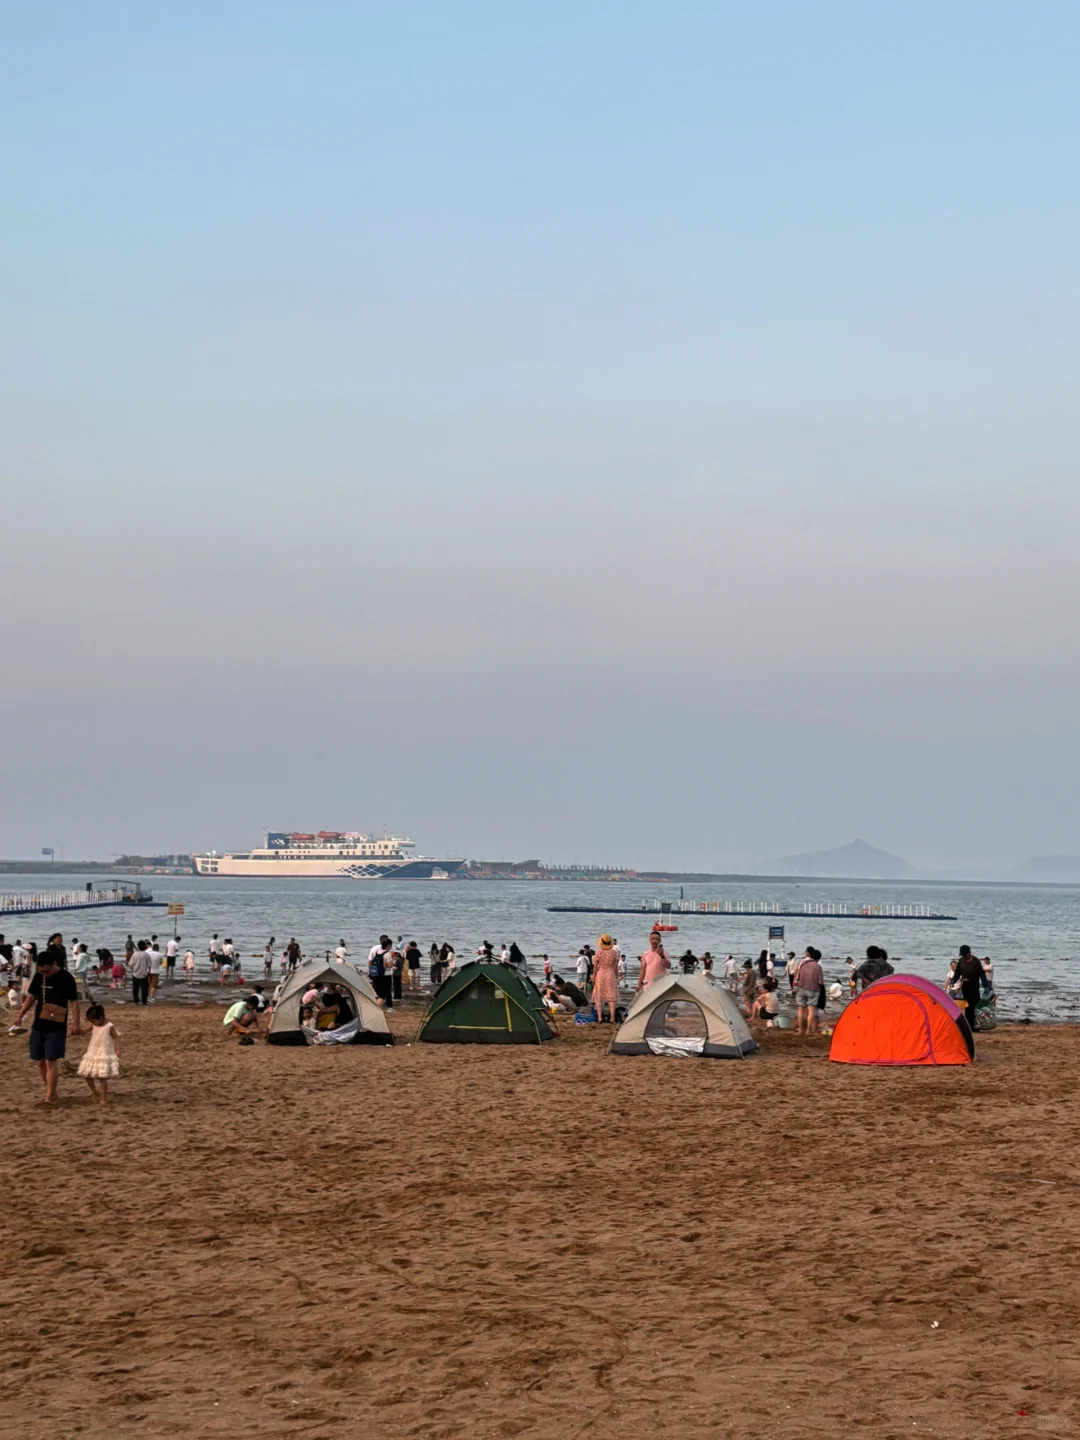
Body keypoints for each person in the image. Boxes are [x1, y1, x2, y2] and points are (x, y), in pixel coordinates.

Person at [13, 950, 81, 1103]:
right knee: (41, 1061)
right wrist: (20, 1016)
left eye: (47, 971)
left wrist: (76, 1023)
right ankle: (51, 1090)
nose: (45, 974)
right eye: (41, 971)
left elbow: (74, 1001)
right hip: (39, 1023)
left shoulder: (66, 978)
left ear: (54, 965)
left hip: (57, 1026)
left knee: (51, 1060)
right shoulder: (39, 976)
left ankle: (49, 1097)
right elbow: (31, 997)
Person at [78, 1004, 120, 1104]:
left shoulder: (109, 1026)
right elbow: (85, 1031)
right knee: (86, 1074)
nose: (92, 1023)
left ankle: (103, 1098)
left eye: (93, 1021)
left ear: (100, 1018)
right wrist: (80, 1031)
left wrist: (117, 1050)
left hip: (103, 1053)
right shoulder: (93, 1025)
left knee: (102, 1077)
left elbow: (116, 1037)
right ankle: (94, 1091)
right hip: (92, 1052)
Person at [792, 947, 824, 1035]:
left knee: (801, 1009)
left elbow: (796, 976)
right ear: (818, 959)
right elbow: (820, 982)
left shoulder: (801, 963)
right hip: (813, 990)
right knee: (811, 1010)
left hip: (801, 988)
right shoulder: (818, 967)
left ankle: (800, 1030)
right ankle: (808, 1031)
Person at [590, 935, 621, 1024]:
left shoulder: (598, 952)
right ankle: (612, 1018)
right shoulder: (614, 952)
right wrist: (616, 976)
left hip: (601, 974)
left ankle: (599, 1017)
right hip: (610, 974)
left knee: (599, 997)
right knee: (611, 998)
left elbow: (595, 966)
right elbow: (615, 967)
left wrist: (594, 977)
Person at [954, 945, 987, 1027]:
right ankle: (969, 1025)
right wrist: (953, 981)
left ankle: (975, 1024)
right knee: (968, 1005)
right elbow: (957, 973)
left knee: (974, 1004)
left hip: (974, 985)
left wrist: (986, 986)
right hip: (965, 985)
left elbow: (982, 974)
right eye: (962, 955)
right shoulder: (961, 961)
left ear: (969, 952)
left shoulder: (976, 961)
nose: (964, 956)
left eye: (965, 954)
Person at [368, 936, 394, 1009]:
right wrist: (393, 961)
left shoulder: (378, 952)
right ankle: (388, 1005)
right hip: (386, 975)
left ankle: (376, 1005)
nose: (391, 947)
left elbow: (371, 961)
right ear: (388, 946)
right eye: (390, 946)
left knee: (378, 991)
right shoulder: (388, 954)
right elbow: (389, 965)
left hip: (377, 974)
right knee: (387, 991)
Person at [129, 941, 152, 1005]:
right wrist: (149, 973)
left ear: (138, 947)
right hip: (144, 974)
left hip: (135, 973)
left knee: (135, 988)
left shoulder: (135, 954)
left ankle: (136, 1000)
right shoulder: (147, 955)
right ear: (144, 947)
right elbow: (149, 965)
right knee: (144, 989)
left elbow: (130, 964)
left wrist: (133, 970)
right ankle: (144, 1001)